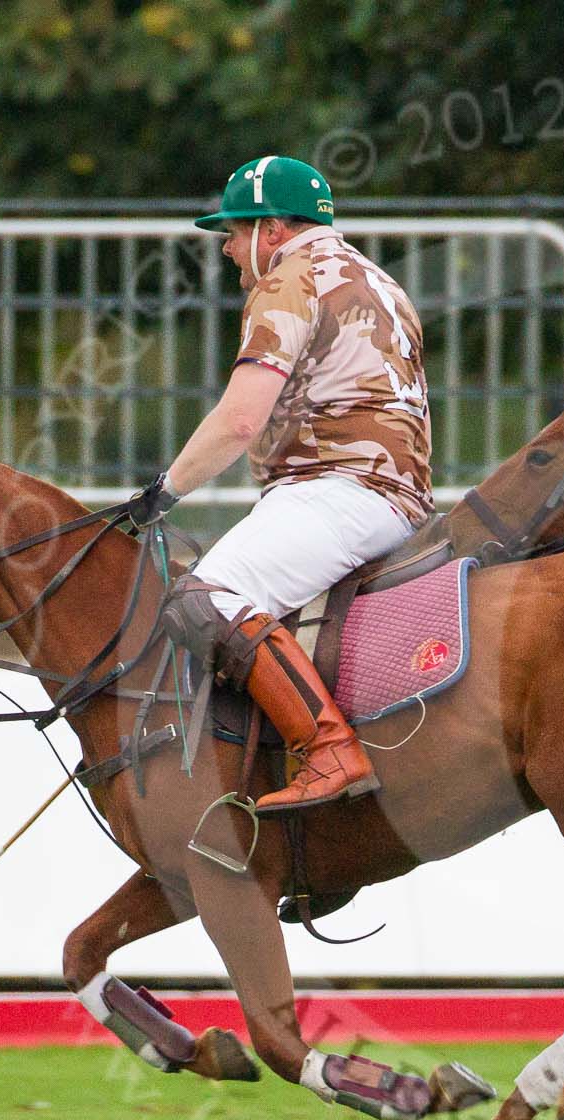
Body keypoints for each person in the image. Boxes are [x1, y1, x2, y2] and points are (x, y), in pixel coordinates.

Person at [132, 155, 434, 812]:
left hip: (340, 491)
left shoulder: (288, 279)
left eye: (235, 233)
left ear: (271, 229)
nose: (229, 249)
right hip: (397, 499)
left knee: (207, 596)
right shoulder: (382, 281)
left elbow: (241, 419)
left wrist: (166, 488)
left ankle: (328, 750)